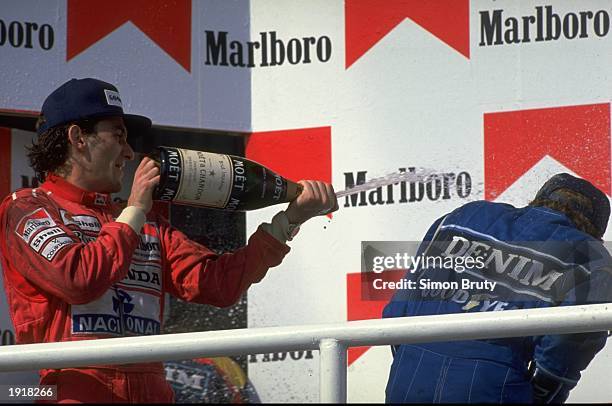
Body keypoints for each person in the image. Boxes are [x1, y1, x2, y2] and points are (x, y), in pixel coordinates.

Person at [0, 77, 338, 403]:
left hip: (154, 390)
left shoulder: (143, 220)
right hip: (74, 389)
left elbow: (219, 285)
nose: (129, 152)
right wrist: (133, 212)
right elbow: (78, 279)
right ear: (78, 137)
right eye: (119, 136)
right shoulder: (27, 209)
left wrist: (289, 221)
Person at [383, 173, 612, 403]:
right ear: (593, 230)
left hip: (408, 379)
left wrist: (412, 362)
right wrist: (543, 395)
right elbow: (566, 349)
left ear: (538, 199)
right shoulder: (591, 255)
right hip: (494, 387)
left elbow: (397, 311)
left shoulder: (462, 215)